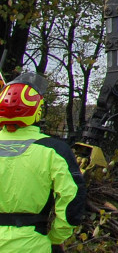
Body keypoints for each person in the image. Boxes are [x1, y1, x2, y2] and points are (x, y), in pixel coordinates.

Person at [0, 72, 87, 253]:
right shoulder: (54, 151)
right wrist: (57, 237)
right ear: (37, 108)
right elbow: (72, 201)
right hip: (31, 244)